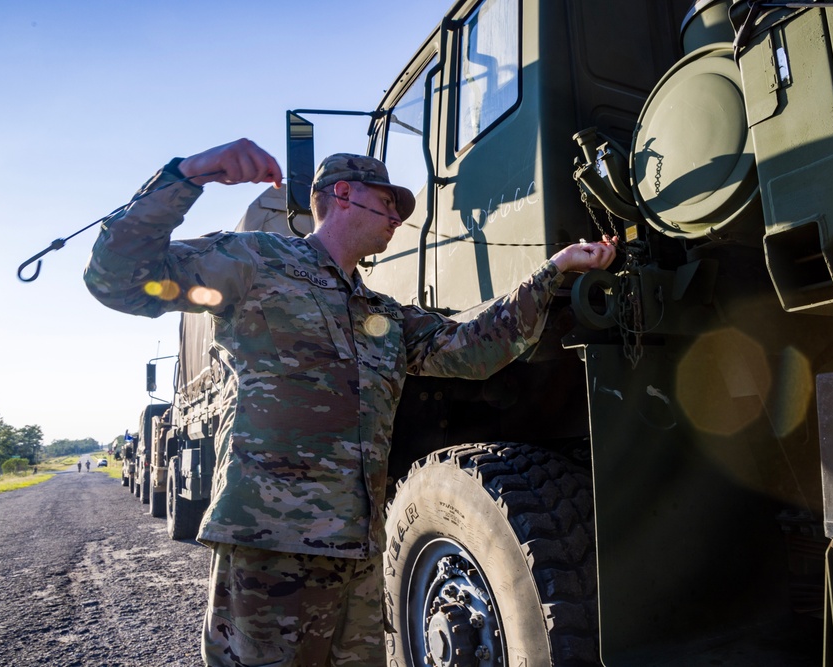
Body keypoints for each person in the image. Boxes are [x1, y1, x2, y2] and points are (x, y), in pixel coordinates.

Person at [83, 138, 615, 667]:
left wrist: (555, 272)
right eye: (388, 204)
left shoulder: (380, 312)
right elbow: (119, 279)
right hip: (273, 546)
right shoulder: (255, 262)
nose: (397, 219)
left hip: (359, 555)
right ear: (343, 194)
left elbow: (473, 351)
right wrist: (189, 174)